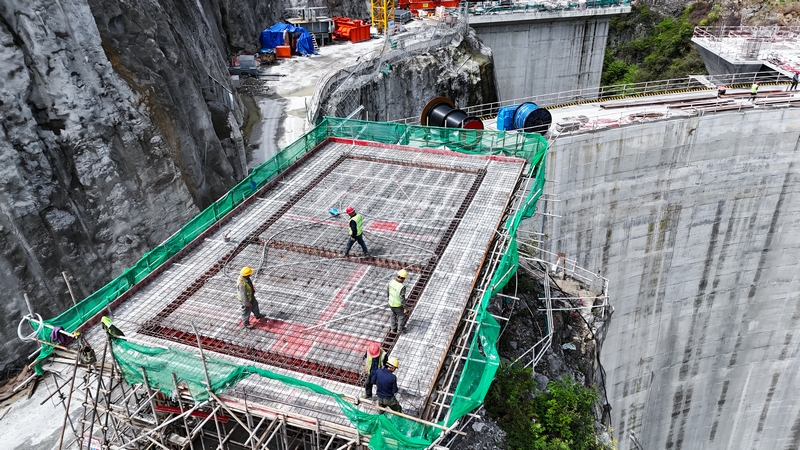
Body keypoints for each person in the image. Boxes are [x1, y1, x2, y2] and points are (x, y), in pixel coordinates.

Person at [388, 269, 409, 333]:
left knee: (393, 315)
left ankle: (393, 328)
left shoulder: (391, 282)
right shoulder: (402, 287)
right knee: (401, 316)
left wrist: (388, 300)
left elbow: (387, 292)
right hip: (398, 305)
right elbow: (402, 298)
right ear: (403, 278)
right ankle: (400, 329)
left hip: (391, 303)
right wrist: (405, 307)